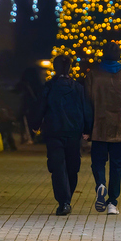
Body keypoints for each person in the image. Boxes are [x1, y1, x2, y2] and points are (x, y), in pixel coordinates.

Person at [31, 55, 93, 216]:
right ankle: (67, 199)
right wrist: (87, 129)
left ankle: (63, 201)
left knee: (58, 167)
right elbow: (86, 109)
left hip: (54, 131)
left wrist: (35, 125)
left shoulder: (49, 87)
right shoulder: (78, 88)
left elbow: (40, 107)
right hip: (74, 132)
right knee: (72, 167)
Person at [85, 41, 121, 216]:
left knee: (98, 162)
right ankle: (112, 202)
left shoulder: (93, 75)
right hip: (120, 128)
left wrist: (86, 129)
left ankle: (101, 184)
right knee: (117, 166)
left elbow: (87, 104)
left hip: (98, 127)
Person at [14, 67, 44, 145]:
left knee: (24, 120)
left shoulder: (26, 84)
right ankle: (30, 136)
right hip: (33, 105)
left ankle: (27, 136)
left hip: (28, 104)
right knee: (30, 120)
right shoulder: (37, 84)